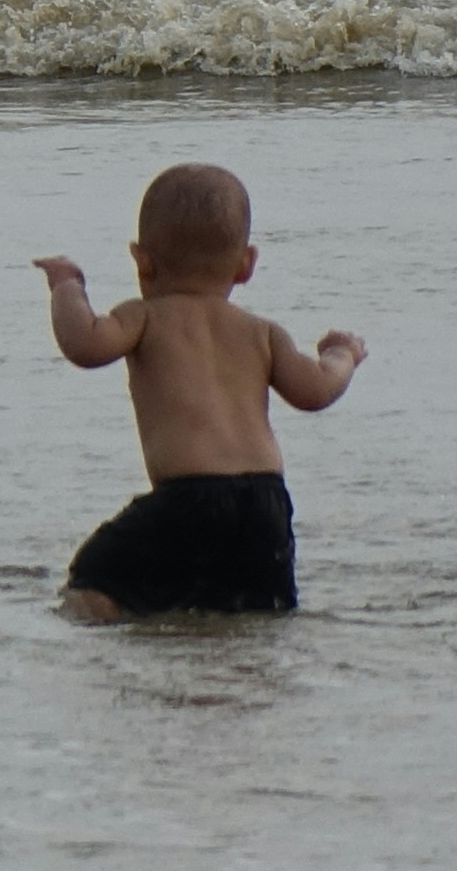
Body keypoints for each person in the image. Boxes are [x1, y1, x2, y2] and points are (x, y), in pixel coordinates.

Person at [33, 161, 365, 619]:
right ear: (246, 264)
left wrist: (67, 285)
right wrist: (342, 353)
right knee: (251, 608)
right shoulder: (263, 333)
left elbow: (84, 344)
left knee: (93, 584)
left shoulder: (143, 316)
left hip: (188, 499)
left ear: (141, 260)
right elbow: (317, 390)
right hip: (265, 506)